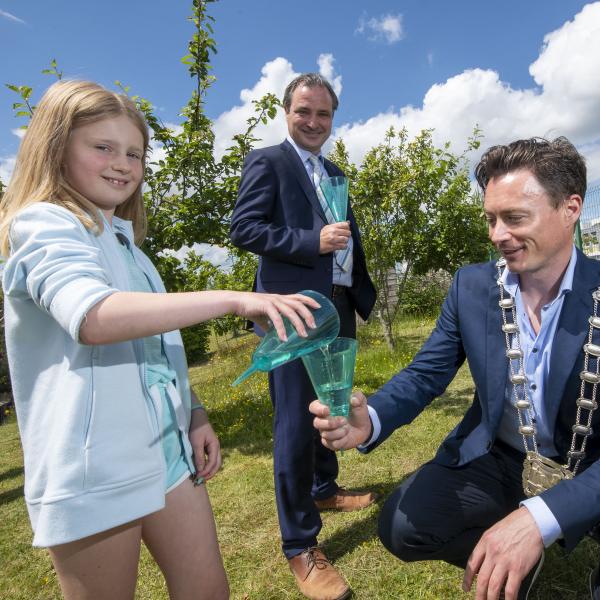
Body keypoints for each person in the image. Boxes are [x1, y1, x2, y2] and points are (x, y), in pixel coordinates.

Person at [0, 79, 320, 600]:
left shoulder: (130, 246)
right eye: (102, 146)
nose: (122, 163)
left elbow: (156, 345)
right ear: (55, 147)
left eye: (134, 152)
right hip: (95, 469)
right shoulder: (43, 226)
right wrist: (234, 298)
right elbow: (95, 316)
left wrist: (193, 412)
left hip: (167, 452)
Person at [310, 137, 600, 600]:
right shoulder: (472, 287)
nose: (497, 235)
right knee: (403, 524)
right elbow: (426, 373)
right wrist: (371, 418)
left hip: (589, 465)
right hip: (504, 459)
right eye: (490, 219)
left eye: (514, 218)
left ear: (570, 209)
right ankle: (509, 570)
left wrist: (539, 518)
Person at [230, 73, 377, 600]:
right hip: (293, 310)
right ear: (286, 112)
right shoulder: (269, 161)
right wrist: (309, 241)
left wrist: (358, 286)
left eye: (323, 114)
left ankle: (325, 489)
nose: (313, 122)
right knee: (294, 422)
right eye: (303, 112)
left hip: (337, 304)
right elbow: (244, 228)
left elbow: (347, 236)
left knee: (332, 404)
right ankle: (300, 545)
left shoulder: (335, 171)